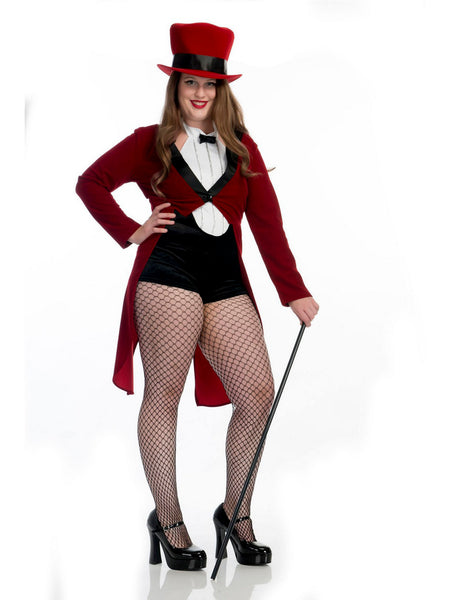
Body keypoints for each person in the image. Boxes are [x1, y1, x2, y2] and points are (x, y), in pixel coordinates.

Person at [75, 21, 319, 571]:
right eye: (190, 82)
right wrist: (131, 230)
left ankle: (236, 513)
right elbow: (90, 183)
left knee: (256, 394)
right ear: (176, 86)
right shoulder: (149, 141)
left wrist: (293, 291)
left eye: (210, 84)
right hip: (167, 271)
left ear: (221, 90)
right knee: (164, 394)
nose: (200, 93)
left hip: (224, 277)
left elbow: (268, 223)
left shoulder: (242, 146)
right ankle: (169, 520)